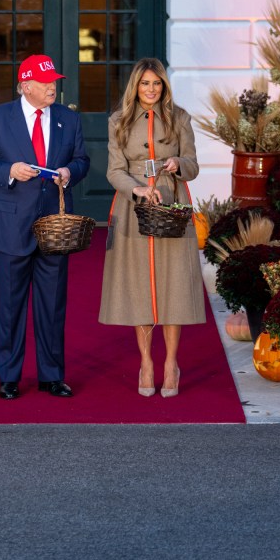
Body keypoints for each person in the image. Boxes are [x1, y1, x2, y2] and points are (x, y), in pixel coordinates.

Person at [0, 54, 90, 400]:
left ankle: (52, 376)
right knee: (11, 306)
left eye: (54, 81)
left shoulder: (69, 119)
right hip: (10, 227)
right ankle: (9, 377)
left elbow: (81, 160)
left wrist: (70, 172)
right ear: (25, 86)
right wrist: (9, 170)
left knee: (53, 306)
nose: (52, 87)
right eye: (45, 83)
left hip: (55, 227)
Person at [99, 57, 205, 398]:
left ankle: (171, 363)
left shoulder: (180, 118)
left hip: (171, 206)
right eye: (145, 84)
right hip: (133, 208)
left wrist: (177, 164)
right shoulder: (118, 121)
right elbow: (114, 171)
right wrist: (137, 189)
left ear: (163, 87)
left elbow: (193, 165)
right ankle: (146, 361)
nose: (151, 89)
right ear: (136, 86)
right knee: (140, 285)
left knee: (172, 283)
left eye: (156, 84)